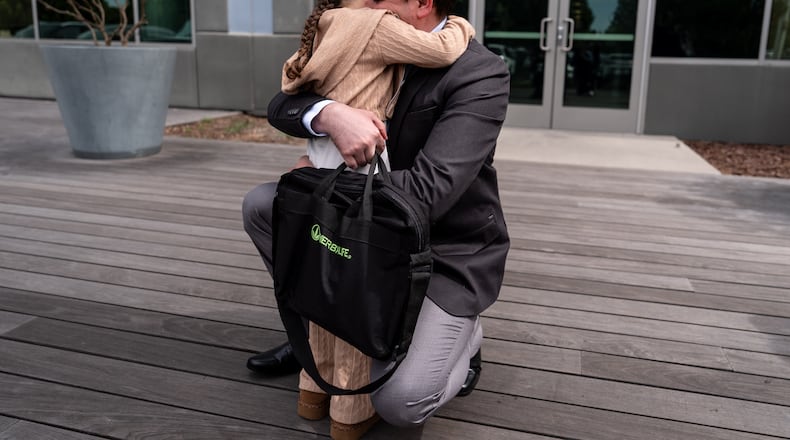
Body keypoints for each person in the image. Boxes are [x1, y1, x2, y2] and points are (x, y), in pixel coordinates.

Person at [243, 0, 510, 434]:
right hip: (360, 227)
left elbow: (429, 191)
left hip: (441, 249)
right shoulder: (357, 31)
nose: (363, 0)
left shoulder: (479, 72)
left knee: (401, 401)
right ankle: (317, 325)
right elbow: (282, 104)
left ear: (422, 3)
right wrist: (329, 114)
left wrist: (320, 183)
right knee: (262, 206)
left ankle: (466, 340)